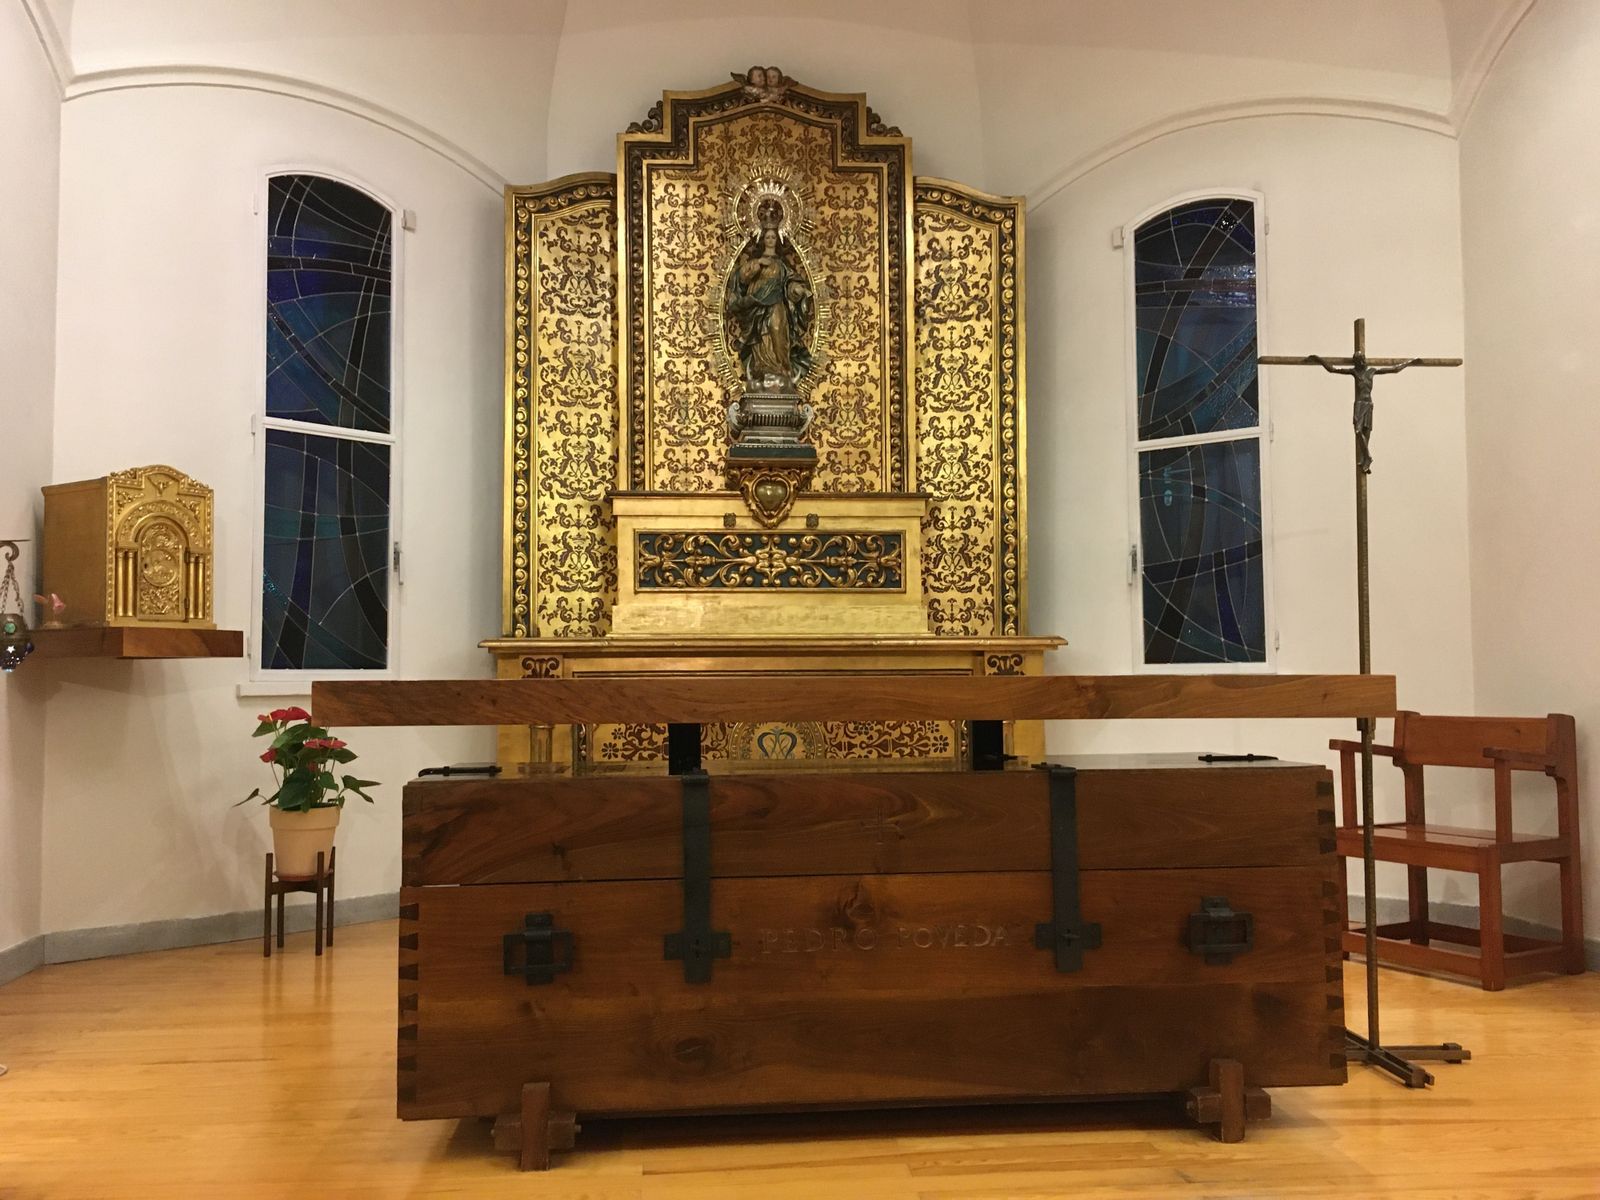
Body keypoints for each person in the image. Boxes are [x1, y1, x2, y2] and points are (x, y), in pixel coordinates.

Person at [724, 220, 813, 388]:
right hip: (756, 308)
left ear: (777, 239)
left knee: (778, 330)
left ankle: (781, 369)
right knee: (761, 338)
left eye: (773, 237)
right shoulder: (757, 262)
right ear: (763, 239)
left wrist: (797, 290)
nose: (771, 239)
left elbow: (790, 282)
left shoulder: (781, 265)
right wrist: (757, 265)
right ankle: (763, 369)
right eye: (768, 237)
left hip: (776, 304)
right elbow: (741, 278)